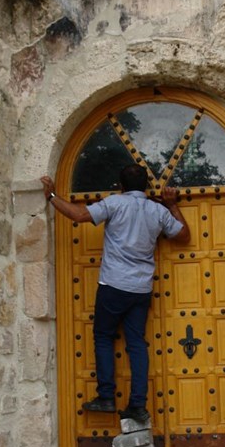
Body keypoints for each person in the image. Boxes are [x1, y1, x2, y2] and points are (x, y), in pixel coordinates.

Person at [40, 164, 190, 424]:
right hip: (141, 289)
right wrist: (172, 204)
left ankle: (107, 396)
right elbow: (184, 235)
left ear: (121, 185)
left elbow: (78, 215)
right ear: (144, 186)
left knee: (103, 337)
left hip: (113, 285)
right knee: (136, 344)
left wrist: (52, 197)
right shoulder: (157, 210)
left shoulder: (115, 204)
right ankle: (137, 405)